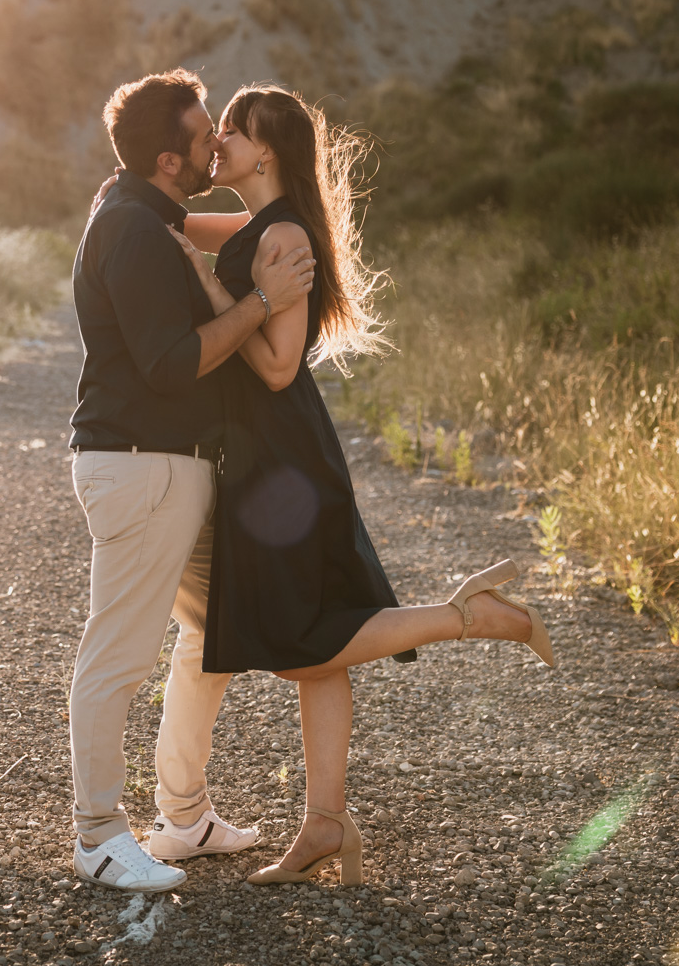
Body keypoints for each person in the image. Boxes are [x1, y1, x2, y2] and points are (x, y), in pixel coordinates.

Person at [169, 83, 557, 887]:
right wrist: (144, 212)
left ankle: (468, 617)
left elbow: (277, 367)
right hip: (281, 455)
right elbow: (180, 228)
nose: (219, 143)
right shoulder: (263, 226)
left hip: (281, 463)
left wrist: (210, 289)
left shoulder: (281, 237)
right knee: (319, 647)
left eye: (232, 131)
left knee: (300, 644)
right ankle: (325, 823)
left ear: (265, 151)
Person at [64, 70, 319, 892]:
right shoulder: (133, 229)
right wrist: (261, 301)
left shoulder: (152, 215)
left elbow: (260, 221)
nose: (218, 141)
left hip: (175, 468)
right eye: (207, 133)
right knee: (118, 654)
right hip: (143, 467)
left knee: (215, 637)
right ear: (170, 160)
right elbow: (172, 365)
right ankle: (99, 835)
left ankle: (185, 816)